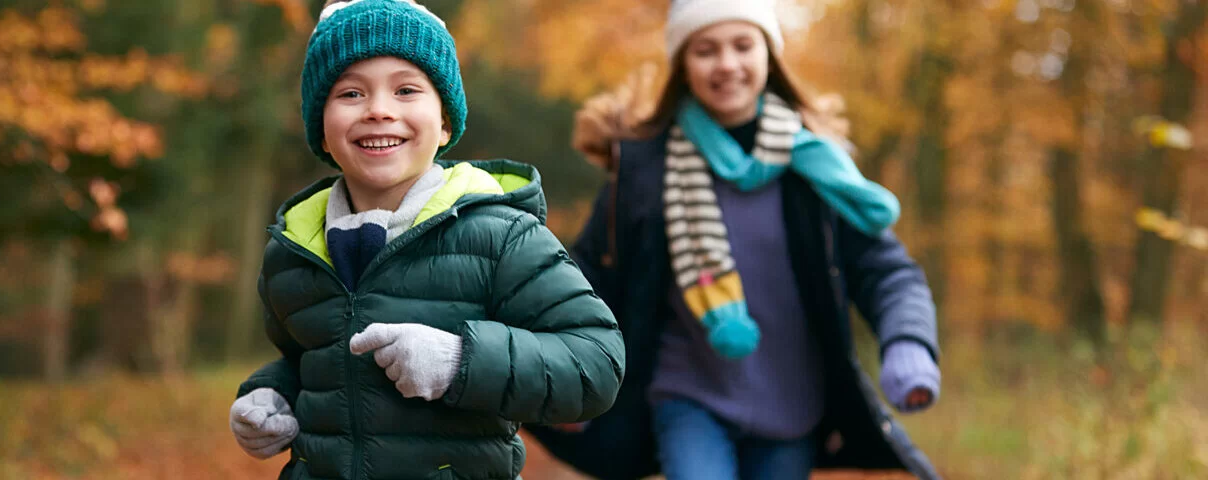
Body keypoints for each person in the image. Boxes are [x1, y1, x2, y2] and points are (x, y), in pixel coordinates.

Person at [525, 1, 942, 479]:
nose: (727, 64)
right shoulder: (643, 171)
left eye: (743, 45)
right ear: (683, 64)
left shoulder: (818, 167)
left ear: (769, 55)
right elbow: (586, 282)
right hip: (686, 396)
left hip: (794, 406)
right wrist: (553, 367)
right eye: (706, 50)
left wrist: (908, 341)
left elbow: (887, 270)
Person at [228, 1, 626, 478]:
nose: (379, 110)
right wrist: (269, 396)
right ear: (323, 130)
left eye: (406, 90)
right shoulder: (292, 251)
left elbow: (596, 364)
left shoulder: (501, 235)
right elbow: (307, 361)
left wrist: (461, 361)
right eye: (351, 93)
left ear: (444, 124)